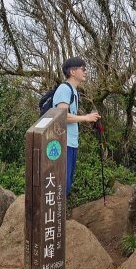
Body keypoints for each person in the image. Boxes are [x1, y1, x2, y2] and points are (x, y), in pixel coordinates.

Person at [52, 57, 101, 196]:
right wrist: (86, 118)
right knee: (62, 185)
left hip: (71, 143)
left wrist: (88, 117)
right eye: (83, 69)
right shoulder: (64, 89)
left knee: (66, 185)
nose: (85, 72)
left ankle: (59, 216)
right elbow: (62, 116)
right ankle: (54, 216)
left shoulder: (74, 91)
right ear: (72, 71)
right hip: (62, 142)